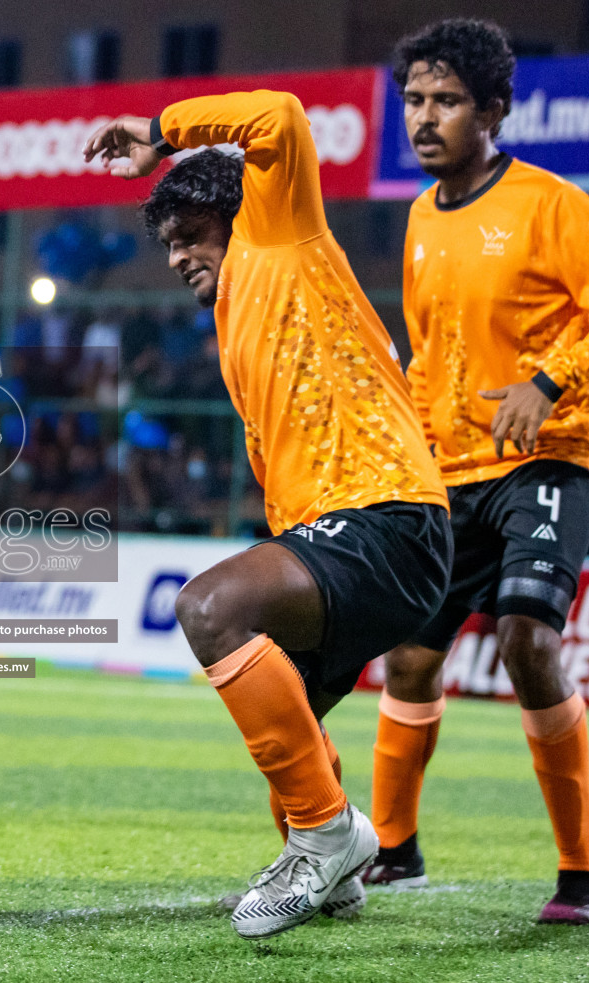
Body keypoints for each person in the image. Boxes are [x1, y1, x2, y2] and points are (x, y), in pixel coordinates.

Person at [86, 92, 452, 939]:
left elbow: (280, 116)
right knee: (282, 717)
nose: (178, 258)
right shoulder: (240, 319)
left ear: (236, 211)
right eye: (169, 245)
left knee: (208, 607)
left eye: (190, 236)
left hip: (384, 512)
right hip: (347, 528)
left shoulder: (276, 231)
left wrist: (157, 134)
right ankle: (332, 864)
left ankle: (329, 837)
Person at [365, 19, 589, 925]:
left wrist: (550, 380)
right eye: (416, 101)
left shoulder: (551, 205)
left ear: (493, 110)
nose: (426, 120)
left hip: (552, 456)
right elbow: (431, 356)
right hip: (451, 470)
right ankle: (394, 852)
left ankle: (586, 872)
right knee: (410, 660)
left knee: (527, 639)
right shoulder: (422, 214)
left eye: (448, 102)